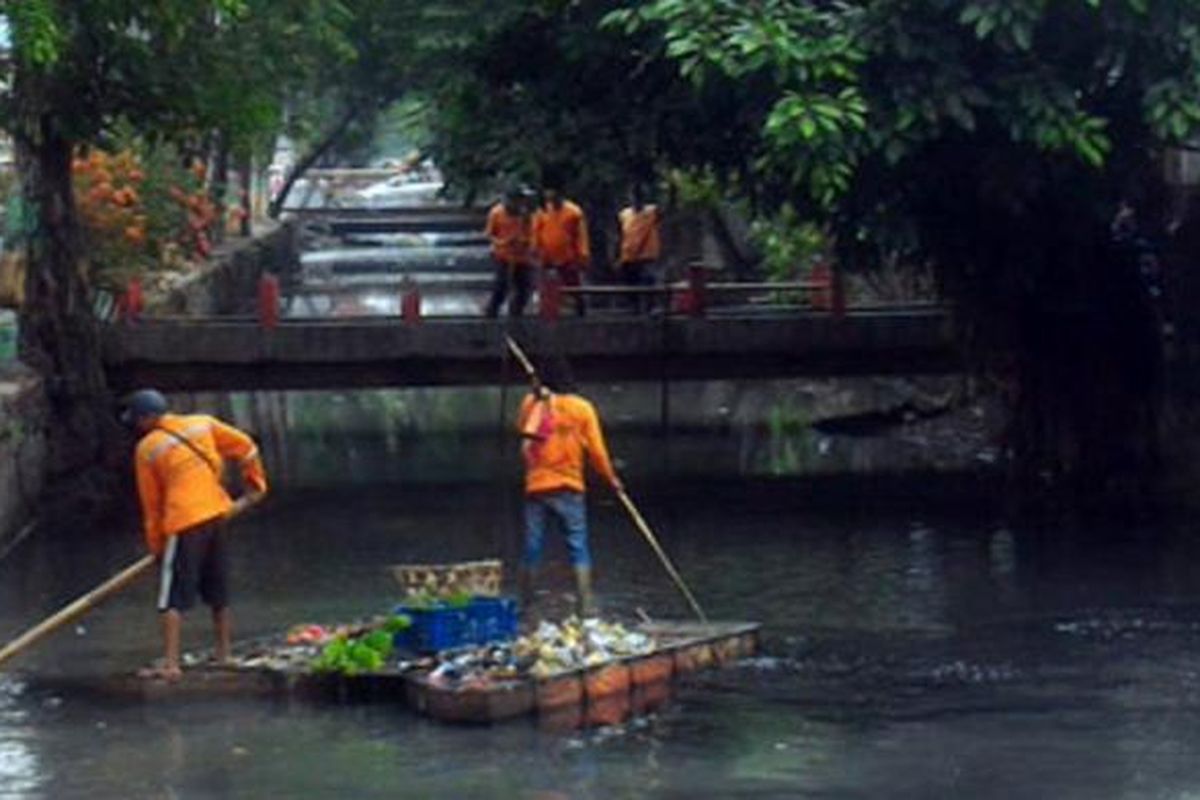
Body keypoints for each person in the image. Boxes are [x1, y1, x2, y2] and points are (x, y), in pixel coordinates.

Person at [123, 389, 268, 681]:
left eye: (138, 420)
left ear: (148, 419)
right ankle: (224, 654)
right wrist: (257, 484)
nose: (137, 426)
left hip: (183, 520)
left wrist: (157, 548)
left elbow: (151, 506)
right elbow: (247, 448)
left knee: (171, 596)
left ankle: (172, 664)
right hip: (216, 514)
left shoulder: (147, 449)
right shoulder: (202, 423)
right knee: (218, 587)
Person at [517, 359, 621, 617]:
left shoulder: (531, 404)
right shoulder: (582, 409)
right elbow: (597, 452)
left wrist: (539, 401)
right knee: (578, 544)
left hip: (537, 486)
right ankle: (585, 605)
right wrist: (611, 479)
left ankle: (526, 604)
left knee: (532, 544)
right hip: (569, 485)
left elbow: (522, 430)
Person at [532, 184, 591, 316]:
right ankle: (548, 315)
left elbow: (581, 236)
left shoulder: (574, 212)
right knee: (547, 288)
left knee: (574, 287)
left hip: (568, 257)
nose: (550, 196)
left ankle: (581, 313)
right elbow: (536, 232)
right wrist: (535, 249)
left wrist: (582, 255)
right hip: (547, 258)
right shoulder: (542, 211)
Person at [484, 188, 534, 317]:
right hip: (503, 255)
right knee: (501, 286)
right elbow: (489, 234)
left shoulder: (526, 214)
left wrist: (525, 241)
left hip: (522, 256)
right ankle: (491, 312)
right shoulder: (496, 213)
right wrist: (502, 242)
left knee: (524, 287)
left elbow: (532, 232)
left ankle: (516, 312)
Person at [617, 186, 662, 313]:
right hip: (629, 255)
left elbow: (663, 211)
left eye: (639, 198)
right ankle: (633, 308)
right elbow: (623, 234)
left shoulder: (651, 212)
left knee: (648, 280)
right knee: (630, 283)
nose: (636, 200)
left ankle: (651, 307)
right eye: (634, 197)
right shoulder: (625, 214)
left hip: (646, 255)